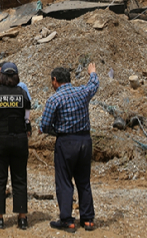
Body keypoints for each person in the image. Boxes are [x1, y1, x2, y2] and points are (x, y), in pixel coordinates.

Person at [40, 63, 99, 233]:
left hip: (66, 142)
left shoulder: (54, 99)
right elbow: (94, 85)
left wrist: (53, 130)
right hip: (85, 140)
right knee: (84, 181)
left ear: (55, 80)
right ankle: (88, 220)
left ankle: (67, 220)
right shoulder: (82, 92)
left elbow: (45, 124)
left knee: (64, 181)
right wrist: (92, 73)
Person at [0, 62, 32, 230]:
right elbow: (27, 118)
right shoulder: (22, 92)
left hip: (0, 140)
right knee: (19, 178)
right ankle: (22, 218)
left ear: (1, 76)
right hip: (20, 139)